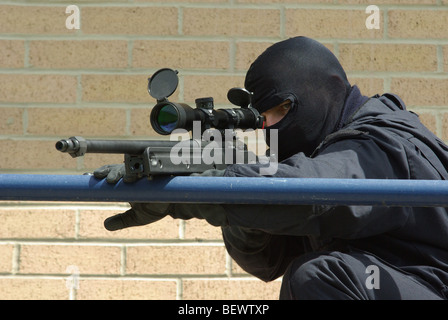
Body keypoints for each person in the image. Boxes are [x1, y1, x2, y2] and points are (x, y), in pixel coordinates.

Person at [94, 36, 448, 300]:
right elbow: (267, 263)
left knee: (320, 274)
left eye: (280, 112)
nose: (269, 129)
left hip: (433, 284)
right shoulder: (322, 150)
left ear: (324, 92)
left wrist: (201, 190)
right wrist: (222, 172)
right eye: (261, 120)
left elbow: (314, 194)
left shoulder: (385, 141)